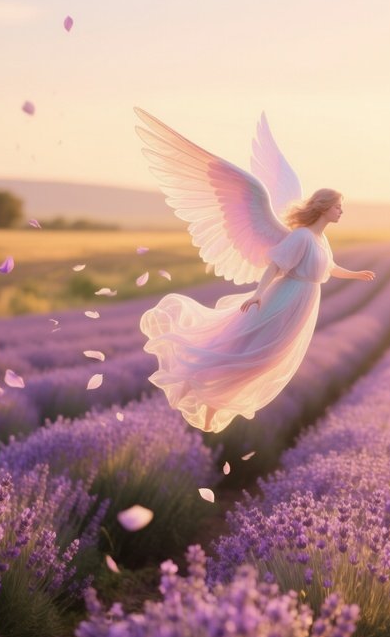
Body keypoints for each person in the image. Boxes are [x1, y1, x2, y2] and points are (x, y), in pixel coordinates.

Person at [134, 108, 376, 432]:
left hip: (302, 305)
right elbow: (276, 266)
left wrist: (356, 275)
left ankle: (213, 401)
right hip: (285, 300)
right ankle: (202, 390)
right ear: (323, 208)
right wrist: (260, 295)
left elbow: (328, 269)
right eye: (337, 207)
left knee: (262, 362)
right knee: (251, 355)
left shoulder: (321, 240)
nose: (341, 212)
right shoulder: (302, 237)